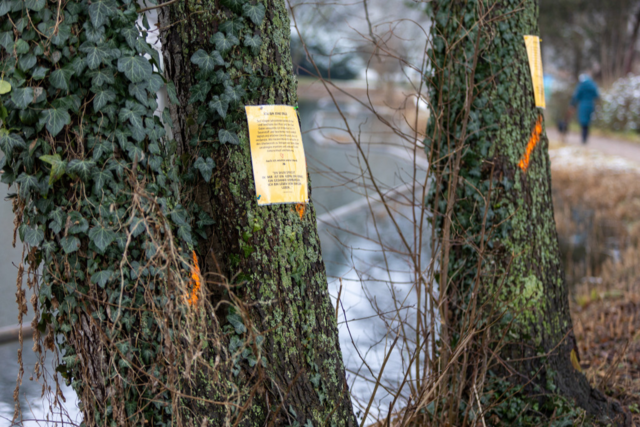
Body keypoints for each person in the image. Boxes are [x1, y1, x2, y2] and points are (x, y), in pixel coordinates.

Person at [571, 72, 600, 144]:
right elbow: (597, 95)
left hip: (583, 104)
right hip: (591, 104)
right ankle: (586, 137)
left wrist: (572, 104)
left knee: (583, 121)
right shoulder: (593, 85)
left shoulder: (581, 85)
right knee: (588, 121)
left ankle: (583, 138)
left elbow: (576, 96)